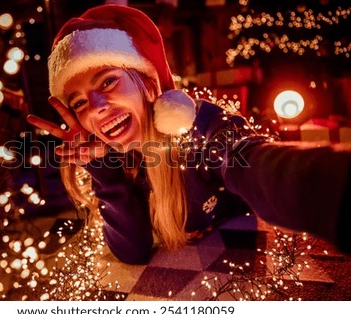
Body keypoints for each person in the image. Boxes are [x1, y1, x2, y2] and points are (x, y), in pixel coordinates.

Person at [27, 4, 351, 264]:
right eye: (79, 102)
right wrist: (101, 170)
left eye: (108, 81)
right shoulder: (112, 158)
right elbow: (133, 252)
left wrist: (333, 188)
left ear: (149, 83)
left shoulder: (201, 127)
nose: (96, 106)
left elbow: (252, 160)